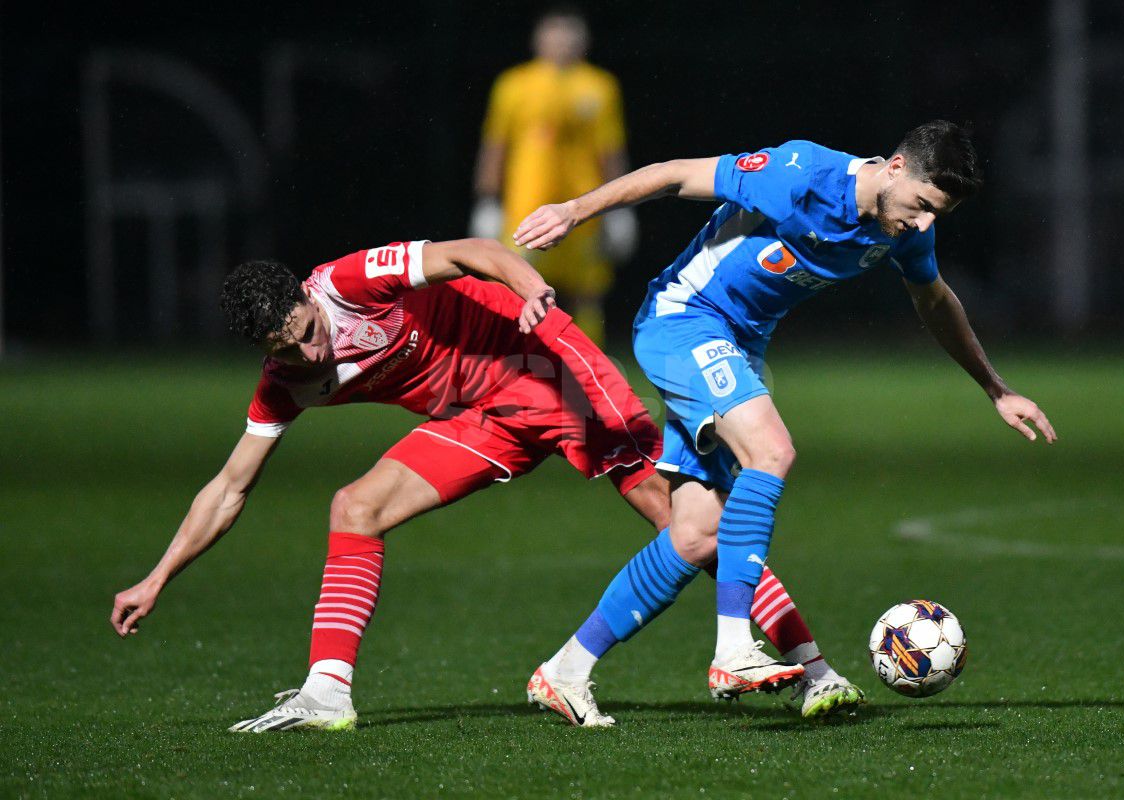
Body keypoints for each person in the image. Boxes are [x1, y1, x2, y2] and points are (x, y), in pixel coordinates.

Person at [109, 235, 849, 731]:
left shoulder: (347, 282)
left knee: (686, 520)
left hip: (543, 364)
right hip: (485, 415)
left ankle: (810, 667)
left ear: (308, 296)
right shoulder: (287, 383)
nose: (313, 346)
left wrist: (530, 290)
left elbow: (476, 251)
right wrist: (158, 576)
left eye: (308, 327)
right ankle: (327, 691)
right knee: (355, 507)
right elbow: (229, 488)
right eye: (290, 346)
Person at [515, 120, 1057, 720]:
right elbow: (675, 174)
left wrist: (995, 388)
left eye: (939, 215)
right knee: (770, 450)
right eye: (924, 206)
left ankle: (567, 670)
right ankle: (734, 650)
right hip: (683, 320)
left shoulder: (902, 229)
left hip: (737, 347)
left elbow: (934, 300)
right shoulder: (800, 174)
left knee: (695, 535)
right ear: (896, 167)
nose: (925, 223)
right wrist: (574, 209)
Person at [472, 6, 636, 346]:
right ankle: (513, 363)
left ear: (584, 40)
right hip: (524, 205)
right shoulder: (514, 84)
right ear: (538, 39)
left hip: (582, 208)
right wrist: (487, 201)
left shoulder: (600, 86)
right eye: (554, 32)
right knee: (514, 286)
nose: (563, 41)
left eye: (570, 33)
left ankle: (586, 364)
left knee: (585, 291)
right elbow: (495, 146)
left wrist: (621, 209)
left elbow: (610, 151)